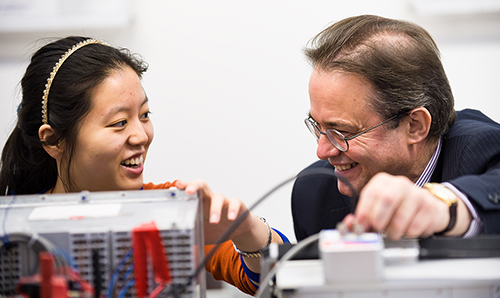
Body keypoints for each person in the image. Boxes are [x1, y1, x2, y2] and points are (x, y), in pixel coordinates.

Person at [0, 36, 287, 295]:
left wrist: (247, 231)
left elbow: (273, 278)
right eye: (119, 123)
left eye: (145, 114)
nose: (141, 136)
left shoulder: (169, 212)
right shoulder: (11, 231)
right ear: (53, 141)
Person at [292, 15, 500, 242]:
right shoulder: (313, 192)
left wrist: (440, 208)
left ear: (415, 126)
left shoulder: (482, 148)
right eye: (318, 126)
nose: (322, 151)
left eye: (343, 132)